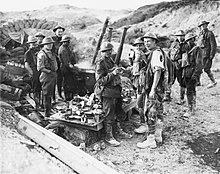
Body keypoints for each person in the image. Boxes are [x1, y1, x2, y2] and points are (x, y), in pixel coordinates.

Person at [95, 42, 132, 147]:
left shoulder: (110, 60)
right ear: (102, 52)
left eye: (110, 50)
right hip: (107, 92)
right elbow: (99, 81)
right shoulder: (100, 63)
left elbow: (113, 71)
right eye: (106, 51)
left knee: (118, 112)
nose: (108, 52)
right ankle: (108, 136)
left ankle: (118, 131)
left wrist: (119, 71)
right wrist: (113, 74)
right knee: (109, 114)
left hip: (115, 90)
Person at [136, 33, 165, 149]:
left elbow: (157, 71)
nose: (146, 44)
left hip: (155, 88)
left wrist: (152, 89)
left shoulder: (155, 54)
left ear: (154, 42)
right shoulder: (157, 52)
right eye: (145, 41)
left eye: (149, 41)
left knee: (151, 113)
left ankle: (151, 140)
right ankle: (158, 135)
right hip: (159, 88)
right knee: (159, 111)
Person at [130, 38, 148, 134]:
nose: (138, 47)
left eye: (140, 45)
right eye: (137, 45)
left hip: (143, 80)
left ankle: (143, 124)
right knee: (139, 101)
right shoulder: (137, 54)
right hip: (138, 80)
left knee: (140, 102)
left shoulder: (144, 55)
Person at [182, 33, 203, 117]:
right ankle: (192, 107)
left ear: (193, 40)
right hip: (187, 74)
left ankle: (190, 109)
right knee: (191, 91)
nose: (188, 42)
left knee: (189, 91)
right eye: (187, 41)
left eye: (189, 40)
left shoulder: (197, 49)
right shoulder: (188, 50)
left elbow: (199, 64)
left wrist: (195, 75)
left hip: (193, 74)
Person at [37, 37, 58, 118]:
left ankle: (48, 110)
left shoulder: (50, 52)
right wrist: (50, 72)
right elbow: (40, 68)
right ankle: (47, 114)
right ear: (44, 45)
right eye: (48, 44)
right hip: (46, 76)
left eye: (51, 44)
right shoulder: (42, 54)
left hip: (52, 75)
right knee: (46, 95)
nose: (50, 45)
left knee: (50, 94)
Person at [168, 30, 188, 105]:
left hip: (180, 66)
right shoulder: (174, 44)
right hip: (172, 64)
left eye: (182, 36)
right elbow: (169, 52)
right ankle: (167, 96)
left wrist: (182, 60)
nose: (180, 37)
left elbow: (187, 55)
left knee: (182, 82)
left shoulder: (186, 45)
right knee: (170, 80)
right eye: (179, 36)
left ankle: (182, 98)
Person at [197, 21, 217, 88]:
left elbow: (213, 45)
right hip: (200, 55)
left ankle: (213, 81)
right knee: (198, 68)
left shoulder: (210, 34)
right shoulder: (200, 34)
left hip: (207, 55)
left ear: (206, 25)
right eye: (201, 25)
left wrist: (211, 55)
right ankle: (198, 82)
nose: (202, 26)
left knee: (207, 69)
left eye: (204, 25)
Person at [58, 35, 78, 101]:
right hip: (65, 69)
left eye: (68, 41)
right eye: (67, 41)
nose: (68, 42)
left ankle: (70, 96)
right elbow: (66, 62)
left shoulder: (67, 48)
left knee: (70, 82)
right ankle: (67, 97)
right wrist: (74, 68)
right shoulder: (63, 49)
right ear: (64, 42)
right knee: (66, 83)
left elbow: (71, 57)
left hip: (68, 68)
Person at [24, 36, 42, 111]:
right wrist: (32, 73)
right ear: (29, 44)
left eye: (35, 43)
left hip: (41, 70)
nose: (34, 44)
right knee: (36, 88)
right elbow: (26, 65)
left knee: (42, 88)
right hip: (34, 71)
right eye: (32, 43)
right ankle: (37, 105)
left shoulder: (39, 50)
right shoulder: (28, 53)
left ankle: (42, 103)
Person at [52, 25, 65, 101]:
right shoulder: (53, 41)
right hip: (54, 63)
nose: (60, 33)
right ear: (55, 32)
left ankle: (60, 94)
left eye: (61, 32)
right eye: (58, 31)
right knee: (54, 80)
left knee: (60, 80)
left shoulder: (63, 40)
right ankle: (53, 97)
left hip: (61, 64)